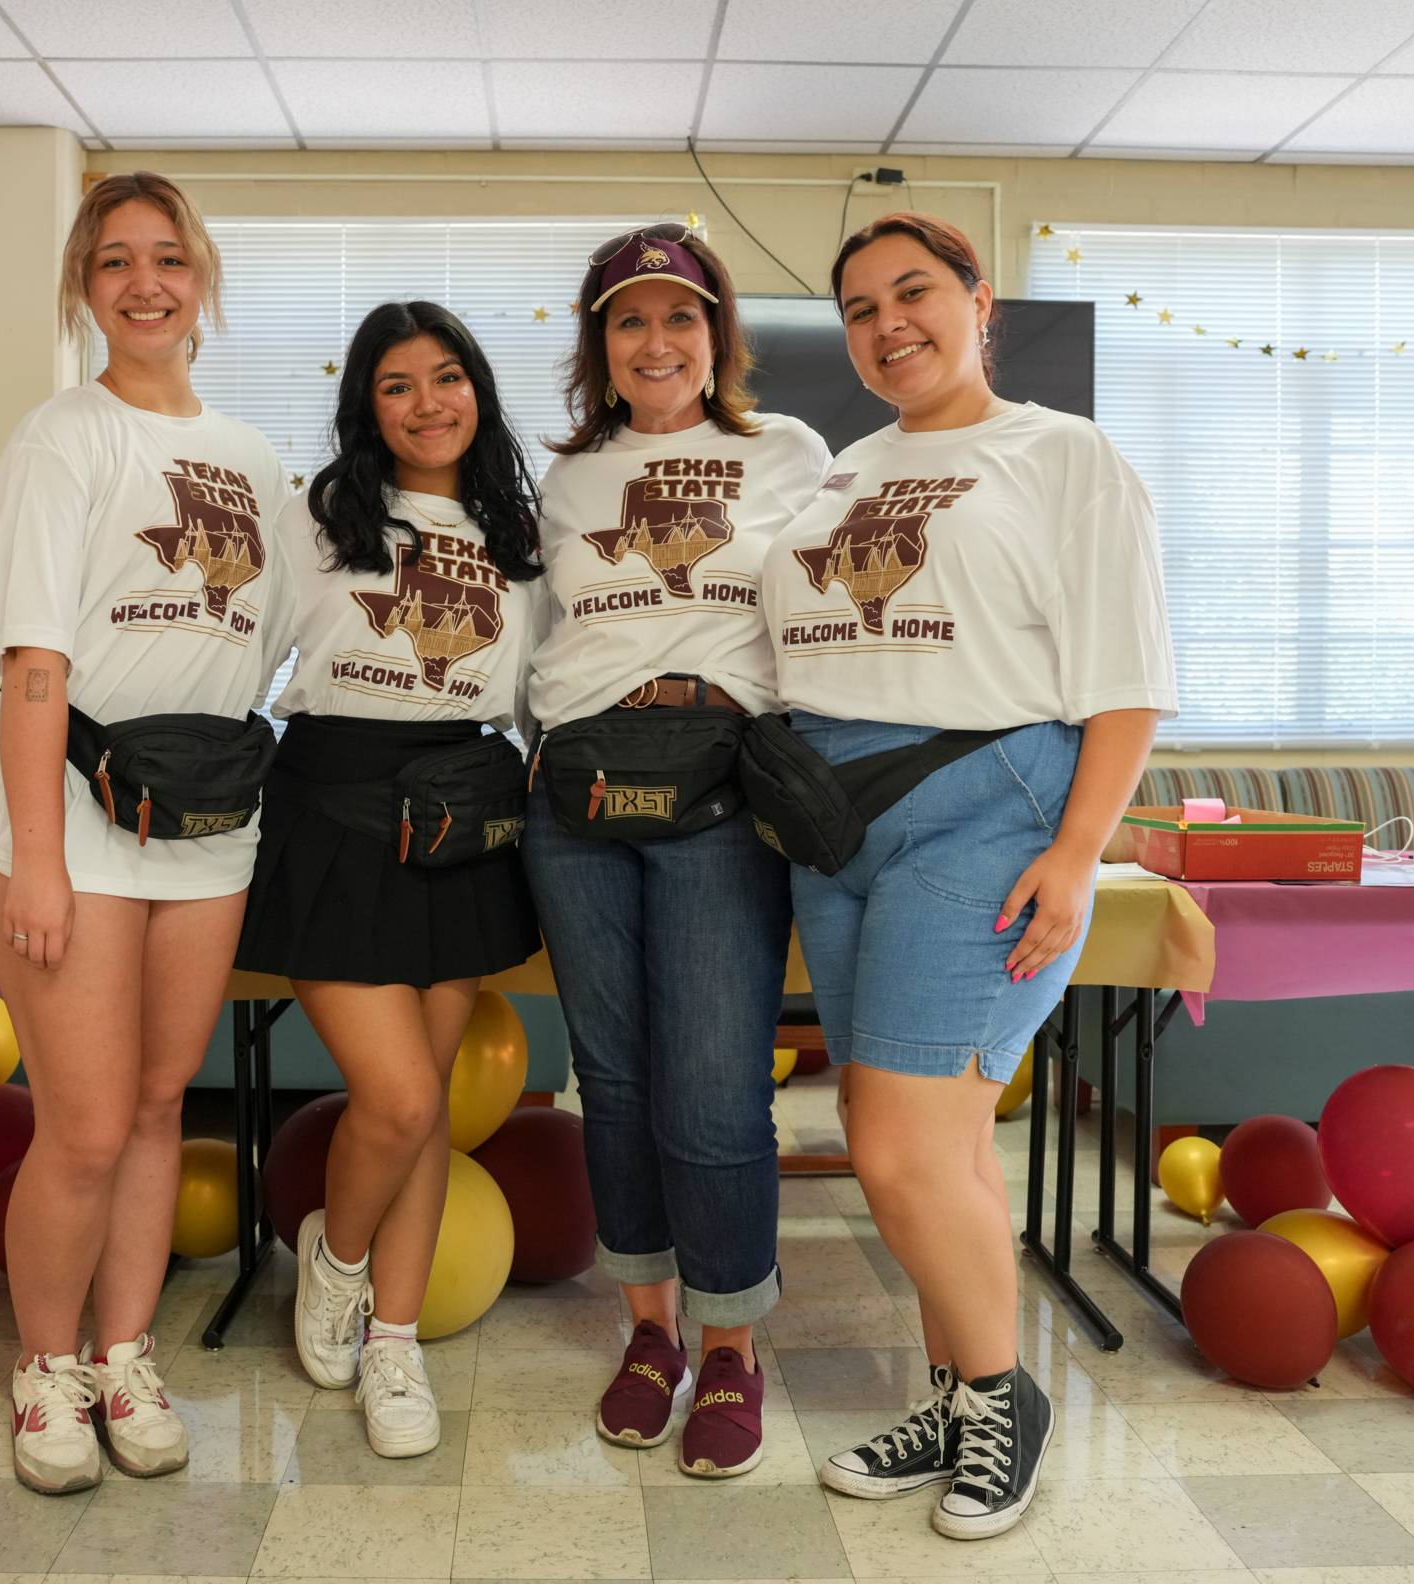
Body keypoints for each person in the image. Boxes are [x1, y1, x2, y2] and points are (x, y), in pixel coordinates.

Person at [759, 212, 1174, 1539]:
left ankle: (1002, 1401)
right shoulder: (836, 474)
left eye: (916, 292)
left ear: (979, 302)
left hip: (984, 814)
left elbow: (1129, 675)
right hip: (837, 827)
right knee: (952, 1154)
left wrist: (1077, 853)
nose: (889, 324)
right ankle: (956, 1396)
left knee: (888, 1147)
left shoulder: (1062, 454)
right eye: (861, 307)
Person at [0, 172, 292, 1495]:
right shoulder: (63, 438)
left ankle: (125, 1350)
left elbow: (257, 652)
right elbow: (35, 668)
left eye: (167, 257)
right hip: (75, 829)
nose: (144, 281)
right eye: (113, 262)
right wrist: (37, 859)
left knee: (161, 1106)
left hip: (202, 826)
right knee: (86, 1127)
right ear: (84, 289)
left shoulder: (256, 459)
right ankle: (46, 1371)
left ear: (203, 278)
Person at [520, 224, 830, 1478]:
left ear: (718, 336)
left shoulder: (791, 455)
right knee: (619, 1084)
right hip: (578, 795)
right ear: (601, 344)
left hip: (718, 790)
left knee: (712, 1090)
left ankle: (733, 1345)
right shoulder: (563, 479)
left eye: (681, 318)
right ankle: (649, 1330)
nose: (658, 341)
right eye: (630, 320)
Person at [236, 300, 545, 1458]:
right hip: (334, 805)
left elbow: (537, 693)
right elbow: (239, 655)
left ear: (480, 391)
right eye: (398, 385)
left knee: (426, 1117)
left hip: (464, 813)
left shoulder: (521, 532)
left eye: (448, 377)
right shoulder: (316, 516)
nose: (428, 404)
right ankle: (338, 1261)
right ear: (367, 405)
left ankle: (395, 1346)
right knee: (403, 1098)